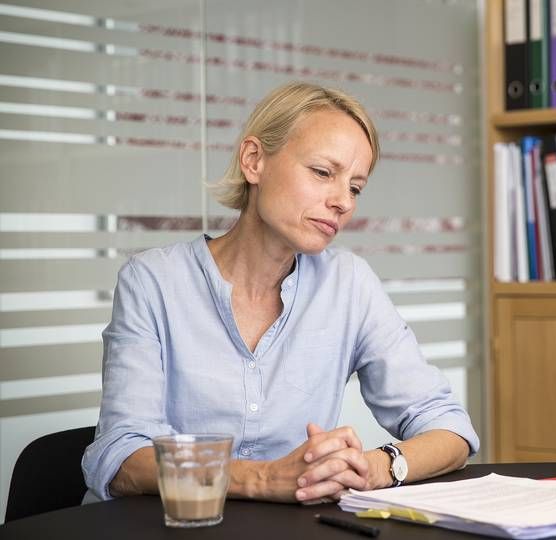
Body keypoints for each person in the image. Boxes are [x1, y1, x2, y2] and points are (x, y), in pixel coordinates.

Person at [82, 82, 479, 504]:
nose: (343, 201)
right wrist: (264, 479)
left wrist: (375, 467)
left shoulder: (349, 284)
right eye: (324, 172)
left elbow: (449, 427)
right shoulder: (152, 281)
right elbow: (122, 457)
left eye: (356, 187)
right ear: (254, 161)